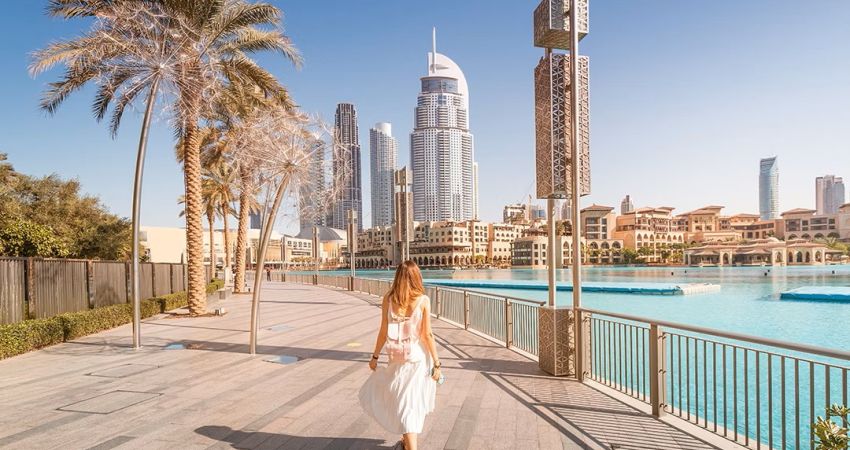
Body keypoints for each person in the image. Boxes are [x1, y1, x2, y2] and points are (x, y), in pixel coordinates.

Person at [359, 261, 441, 450]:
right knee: (410, 404)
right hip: (418, 359)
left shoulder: (388, 299)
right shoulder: (423, 300)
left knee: (403, 401)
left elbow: (383, 331)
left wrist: (375, 357)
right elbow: (427, 335)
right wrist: (437, 363)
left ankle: (406, 442)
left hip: (396, 358)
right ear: (416, 277)